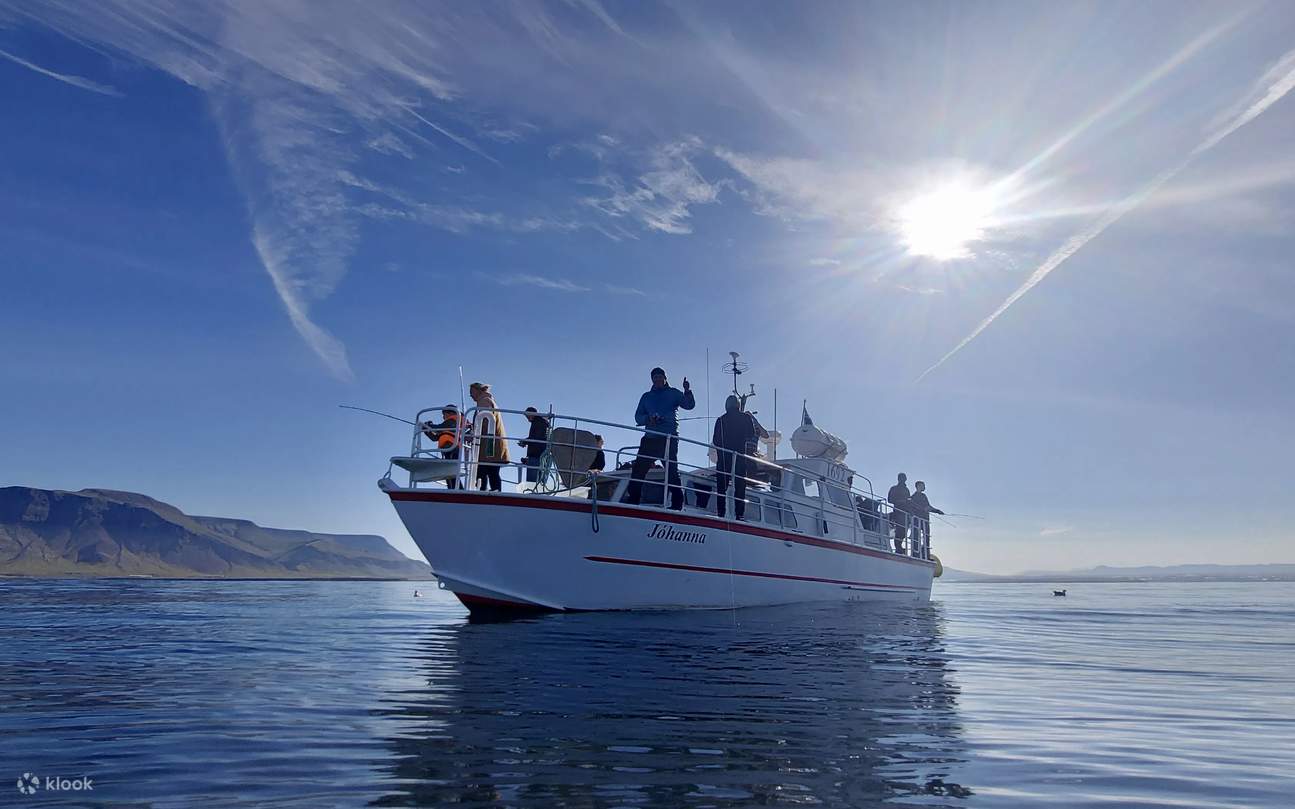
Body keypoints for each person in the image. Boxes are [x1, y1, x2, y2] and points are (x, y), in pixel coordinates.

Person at [623, 366, 695, 510]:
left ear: (665, 378)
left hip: (668, 439)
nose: (657, 379)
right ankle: (633, 502)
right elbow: (637, 416)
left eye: (659, 376)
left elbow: (689, 405)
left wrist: (687, 390)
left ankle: (677, 505)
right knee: (638, 470)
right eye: (654, 377)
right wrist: (648, 419)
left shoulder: (674, 393)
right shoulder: (646, 397)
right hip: (649, 438)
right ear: (652, 380)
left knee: (671, 471)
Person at [712, 395, 766, 519]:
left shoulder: (720, 419)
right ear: (737, 405)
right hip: (739, 456)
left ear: (726, 406)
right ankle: (739, 514)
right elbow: (751, 433)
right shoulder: (745, 417)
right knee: (740, 486)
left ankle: (721, 513)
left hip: (724, 457)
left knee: (721, 487)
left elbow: (716, 440)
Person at [468, 382, 509, 491]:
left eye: (472, 392)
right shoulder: (489, 400)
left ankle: (482, 495)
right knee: (492, 472)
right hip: (492, 445)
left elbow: (484, 420)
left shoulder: (484, 401)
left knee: (483, 471)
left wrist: (473, 434)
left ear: (478, 390)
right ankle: (495, 494)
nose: (470, 395)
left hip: (488, 446)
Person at [420, 404, 464, 489]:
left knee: (450, 471)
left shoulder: (453, 421)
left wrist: (429, 425)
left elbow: (439, 428)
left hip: (452, 449)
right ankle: (453, 489)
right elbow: (434, 438)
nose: (443, 417)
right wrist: (426, 430)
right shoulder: (449, 424)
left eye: (444, 414)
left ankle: (457, 490)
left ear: (450, 413)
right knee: (448, 472)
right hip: (447, 450)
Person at [905, 481, 944, 553]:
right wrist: (922, 509)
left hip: (925, 520)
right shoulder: (913, 497)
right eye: (923, 485)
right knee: (916, 536)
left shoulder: (923, 496)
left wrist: (937, 511)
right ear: (918, 486)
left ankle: (926, 553)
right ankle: (915, 552)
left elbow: (928, 507)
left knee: (926, 537)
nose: (924, 487)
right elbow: (911, 507)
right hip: (917, 520)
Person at [518, 406, 550, 483]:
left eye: (527, 415)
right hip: (540, 455)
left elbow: (536, 438)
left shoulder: (538, 422)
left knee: (532, 483)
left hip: (536, 456)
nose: (527, 418)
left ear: (531, 414)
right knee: (539, 482)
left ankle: (533, 493)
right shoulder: (541, 422)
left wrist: (525, 442)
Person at [887, 473, 911, 551]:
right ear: (899, 479)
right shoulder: (894, 488)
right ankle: (898, 547)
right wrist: (901, 501)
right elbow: (890, 499)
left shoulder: (906, 490)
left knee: (904, 531)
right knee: (899, 530)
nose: (903, 479)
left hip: (906, 513)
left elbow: (909, 500)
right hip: (898, 511)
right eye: (902, 478)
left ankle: (899, 545)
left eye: (904, 478)